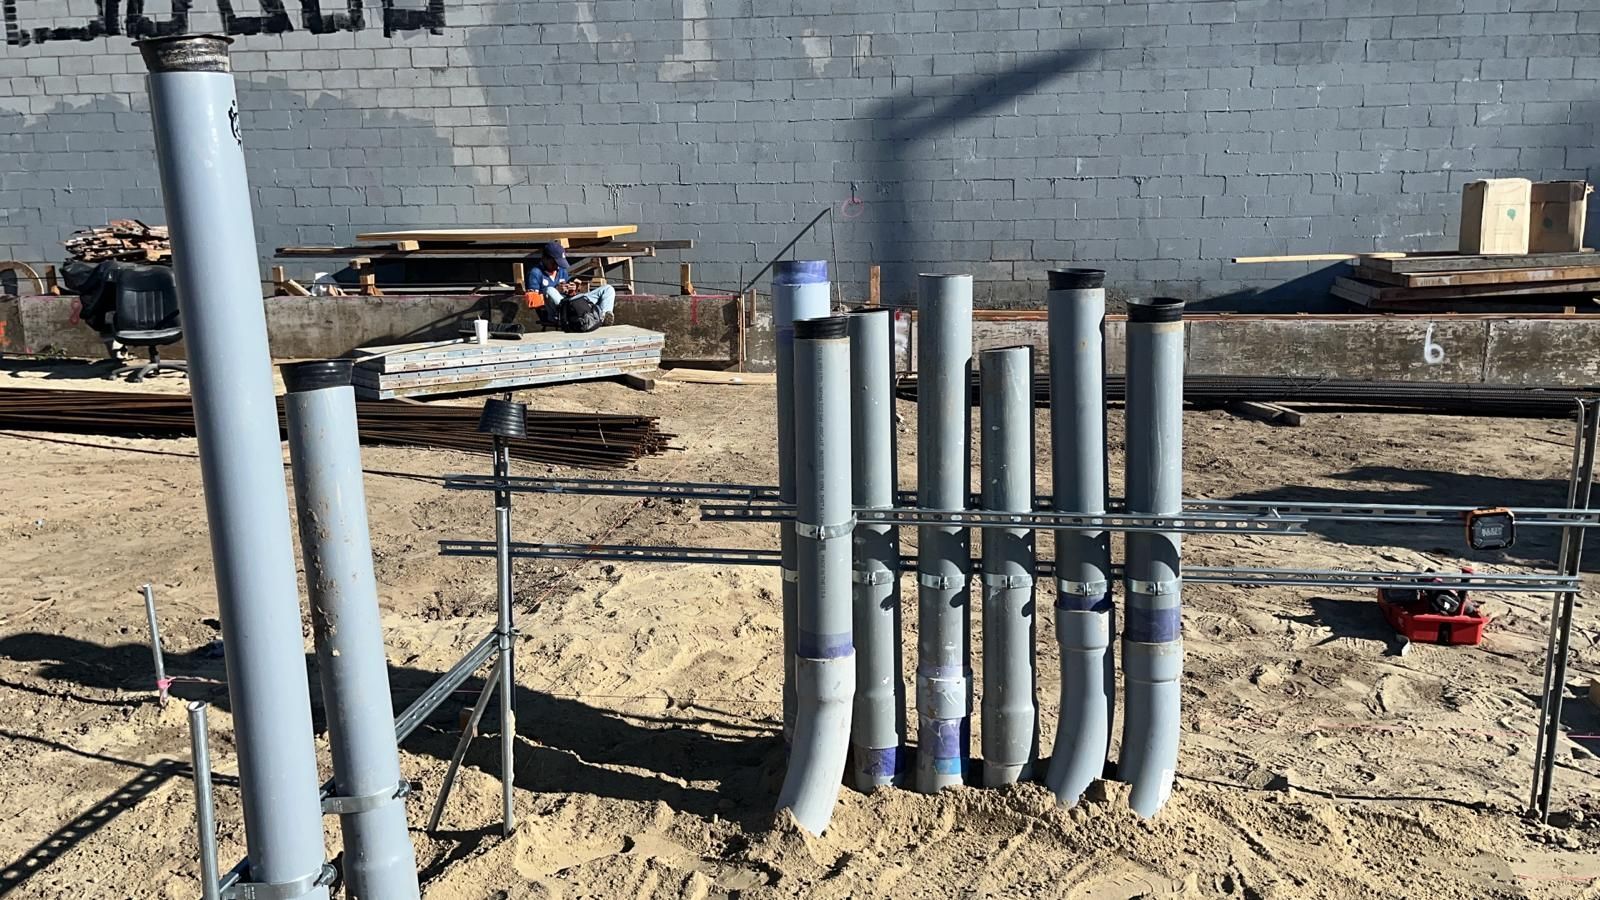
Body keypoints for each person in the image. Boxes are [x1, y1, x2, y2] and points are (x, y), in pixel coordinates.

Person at [528, 241, 616, 327]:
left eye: (559, 263)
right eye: (554, 263)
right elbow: (532, 302)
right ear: (545, 258)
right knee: (549, 290)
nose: (557, 266)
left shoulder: (562, 270)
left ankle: (602, 317)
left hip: (571, 304)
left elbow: (568, 295)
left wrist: (572, 290)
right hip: (558, 313)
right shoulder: (535, 273)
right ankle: (577, 313)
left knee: (608, 289)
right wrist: (556, 290)